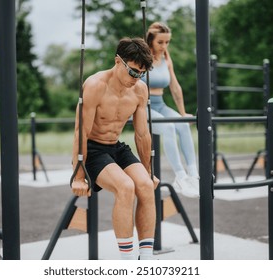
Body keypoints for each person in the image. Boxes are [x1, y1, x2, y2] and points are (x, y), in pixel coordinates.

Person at [71, 37, 160, 260]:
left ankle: (146, 258)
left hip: (116, 148)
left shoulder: (140, 90)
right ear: (118, 61)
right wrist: (78, 175)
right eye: (133, 71)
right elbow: (80, 132)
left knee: (146, 185)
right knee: (126, 187)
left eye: (141, 73)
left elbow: (141, 134)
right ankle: (127, 262)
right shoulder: (94, 85)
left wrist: (148, 171)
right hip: (92, 150)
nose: (136, 78)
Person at [142, 22, 199, 197]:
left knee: (182, 124)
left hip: (160, 104)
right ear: (150, 40)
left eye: (167, 42)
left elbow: (175, 87)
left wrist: (182, 113)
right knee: (168, 128)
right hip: (142, 106)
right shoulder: (141, 58)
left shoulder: (166, 59)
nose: (164, 46)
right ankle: (180, 177)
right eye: (160, 42)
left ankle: (193, 175)